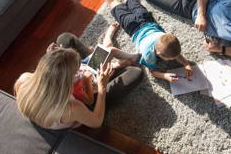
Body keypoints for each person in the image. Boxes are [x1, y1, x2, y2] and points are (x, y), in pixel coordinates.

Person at [14, 24, 143, 130]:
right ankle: (105, 57)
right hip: (87, 102)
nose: (78, 70)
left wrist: (53, 57)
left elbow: (51, 74)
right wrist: (102, 87)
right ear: (68, 83)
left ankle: (99, 54)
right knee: (135, 72)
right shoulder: (71, 108)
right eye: (76, 71)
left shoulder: (24, 79)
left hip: (69, 87)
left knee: (65, 38)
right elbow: (96, 122)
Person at [86, 0, 193, 83]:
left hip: (145, 19)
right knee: (112, 1)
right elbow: (152, 72)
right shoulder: (148, 55)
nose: (172, 60)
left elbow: (176, 53)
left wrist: (186, 64)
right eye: (169, 58)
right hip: (133, 26)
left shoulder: (165, 37)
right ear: (158, 53)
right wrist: (164, 76)